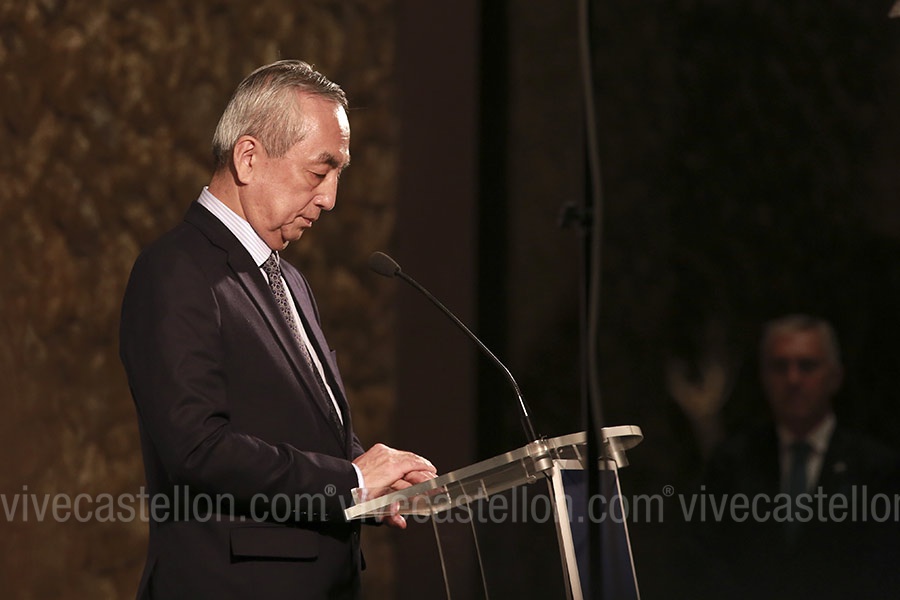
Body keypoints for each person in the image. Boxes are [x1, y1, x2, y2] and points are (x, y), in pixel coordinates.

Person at [119, 60, 436, 600]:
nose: (331, 198)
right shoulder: (174, 270)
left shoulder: (290, 280)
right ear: (248, 157)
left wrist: (378, 485)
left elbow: (302, 428)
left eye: (339, 174)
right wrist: (351, 481)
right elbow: (197, 449)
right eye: (319, 172)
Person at [693, 314, 900, 599]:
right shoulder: (732, 464)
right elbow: (706, 561)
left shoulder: (876, 469)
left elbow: (884, 569)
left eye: (807, 365)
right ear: (764, 377)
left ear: (835, 377)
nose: (793, 379)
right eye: (780, 367)